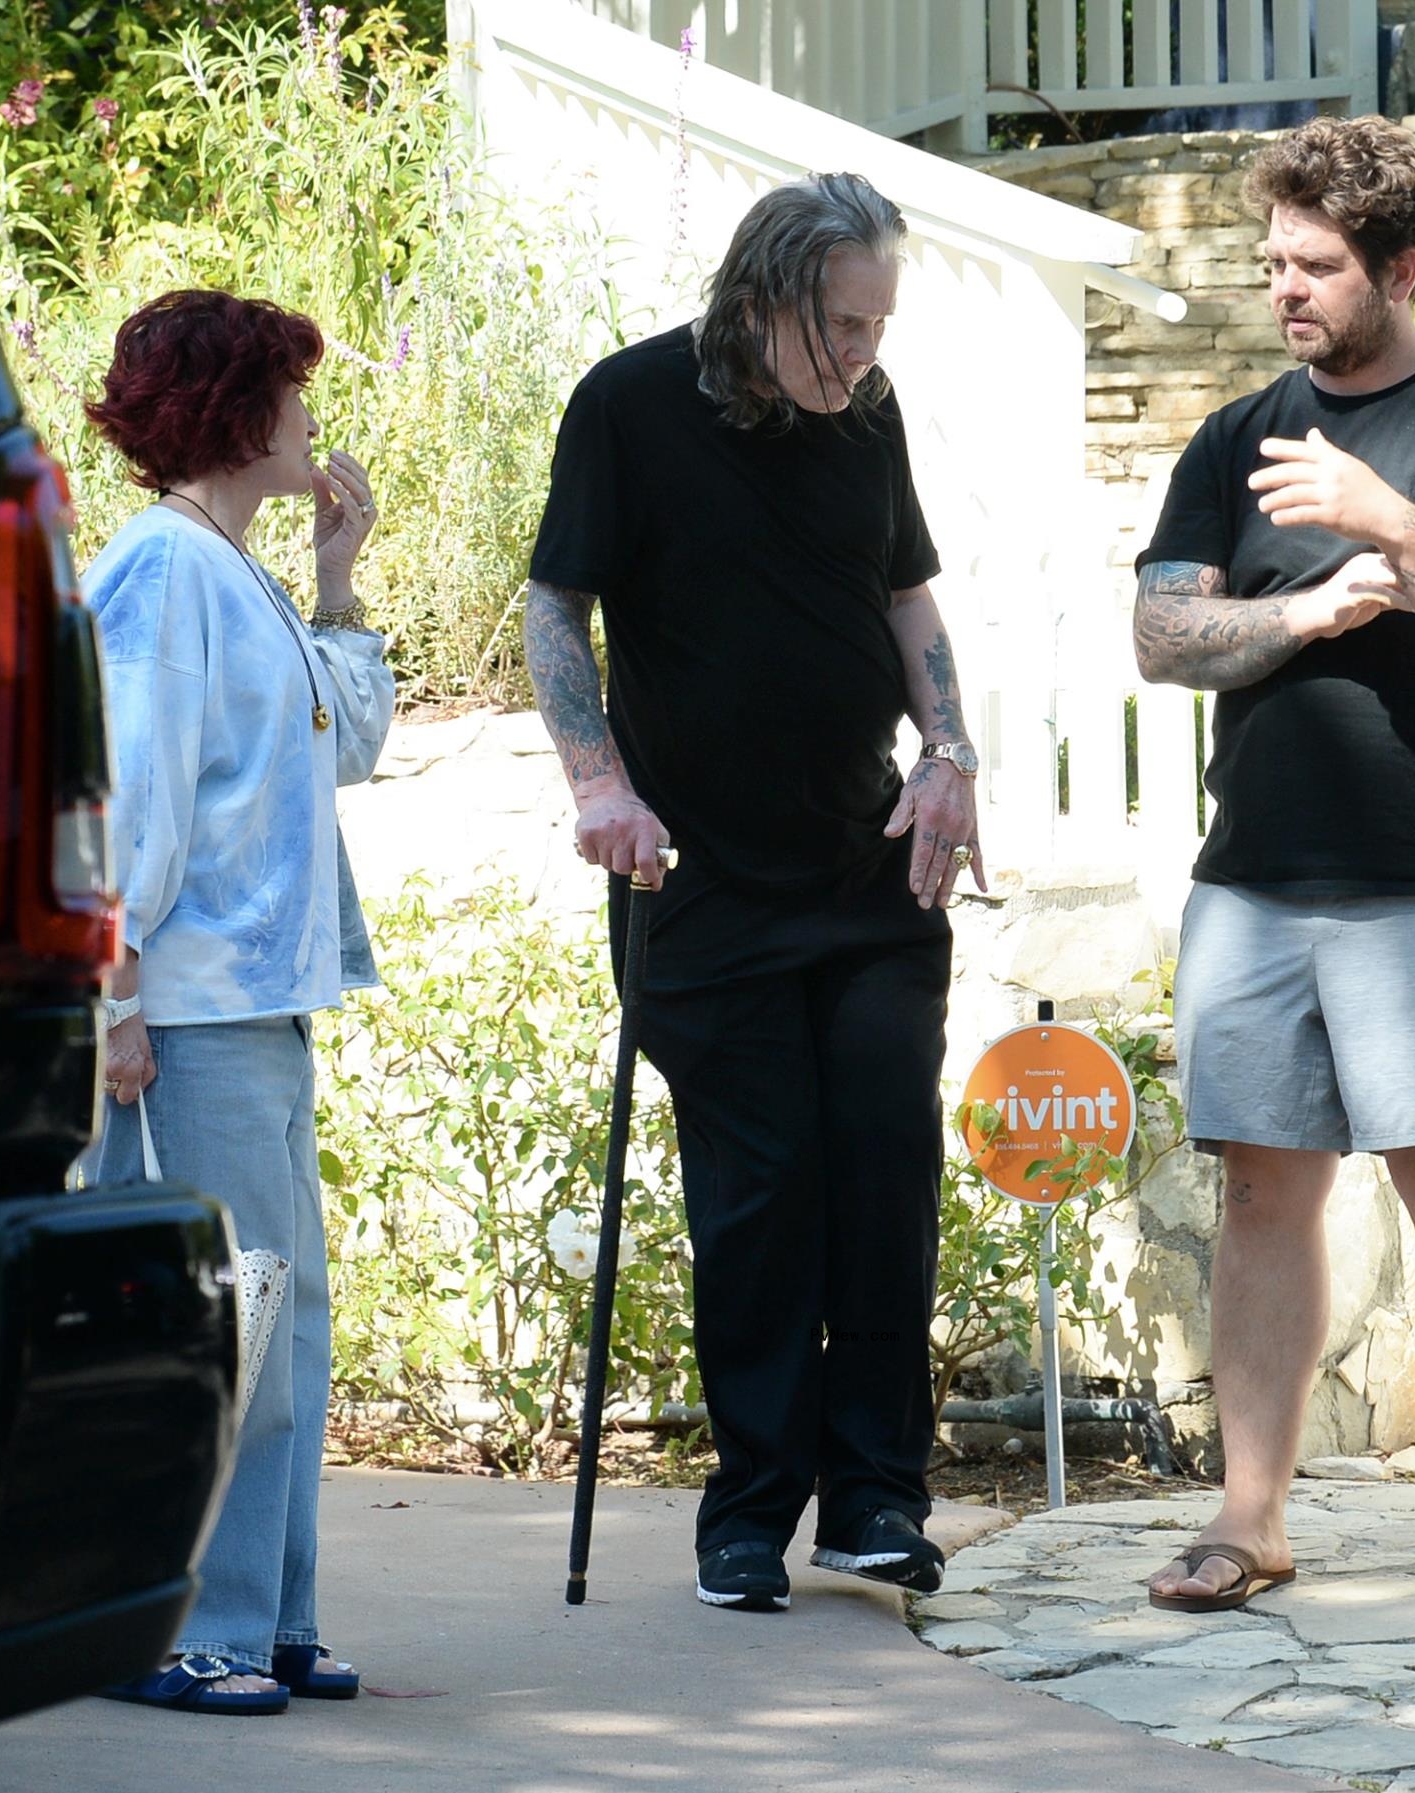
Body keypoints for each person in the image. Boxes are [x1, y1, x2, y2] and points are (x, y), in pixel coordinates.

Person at [1131, 117, 1415, 1616]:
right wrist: (1307, 616)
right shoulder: (1235, 435)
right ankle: (1250, 1515)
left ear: (1402, 265)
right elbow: (1161, 632)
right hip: (1254, 882)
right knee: (1263, 1192)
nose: (1288, 289)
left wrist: (1390, 520)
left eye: (1317, 265)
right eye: (1274, 262)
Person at [525, 172, 983, 1614]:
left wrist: (952, 750)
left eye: (878, 328)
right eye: (841, 326)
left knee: (883, 1173)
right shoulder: (630, 405)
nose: (861, 357)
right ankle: (750, 1509)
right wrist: (599, 782)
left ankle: (875, 1502)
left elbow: (908, 595)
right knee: (762, 1187)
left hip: (866, 864)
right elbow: (557, 604)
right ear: (762, 294)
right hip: (702, 882)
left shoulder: (872, 412)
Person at [81, 289, 395, 1711]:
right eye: (292, 386)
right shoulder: (161, 571)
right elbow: (123, 797)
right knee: (226, 1322)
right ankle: (169, 1622)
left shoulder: (230, 564)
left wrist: (338, 577)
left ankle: (263, 1611)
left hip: (254, 1008)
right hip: (190, 1012)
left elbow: (340, 745)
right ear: (238, 408)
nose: (313, 417)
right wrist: (117, 997)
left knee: (287, 1322)